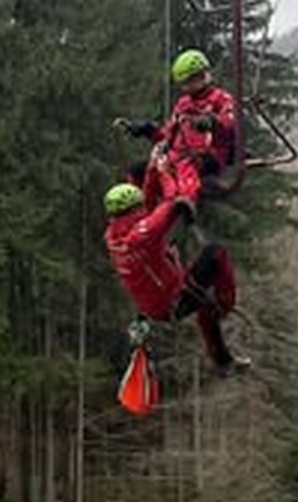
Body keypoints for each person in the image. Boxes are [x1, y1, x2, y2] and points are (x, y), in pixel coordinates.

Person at [103, 182, 249, 373]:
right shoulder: (140, 236)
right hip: (173, 302)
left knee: (205, 308)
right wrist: (175, 199)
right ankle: (225, 306)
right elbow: (162, 213)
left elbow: (151, 221)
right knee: (216, 253)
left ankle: (223, 361)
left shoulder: (113, 237)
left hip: (156, 305)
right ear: (135, 209)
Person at [119, 49, 239, 206]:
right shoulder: (183, 104)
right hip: (177, 156)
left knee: (188, 170)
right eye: (185, 83)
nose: (188, 86)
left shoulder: (221, 99)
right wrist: (147, 129)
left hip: (206, 155)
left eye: (192, 80)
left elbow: (230, 124)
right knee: (138, 171)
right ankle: (138, 208)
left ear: (204, 75)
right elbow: (168, 135)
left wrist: (212, 122)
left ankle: (185, 203)